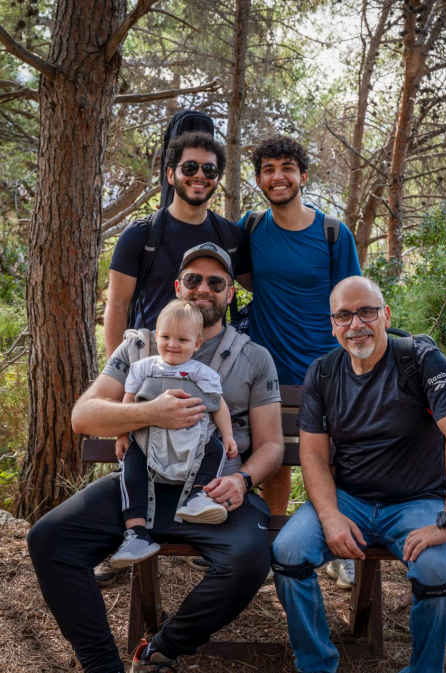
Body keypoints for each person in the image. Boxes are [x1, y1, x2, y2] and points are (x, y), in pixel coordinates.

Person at [28, 244, 283, 673]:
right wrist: (149, 413)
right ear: (177, 286)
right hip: (138, 485)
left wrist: (242, 480)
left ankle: (161, 649)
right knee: (49, 538)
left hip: (211, 491)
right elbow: (83, 416)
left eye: (216, 282)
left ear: (230, 294)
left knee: (249, 560)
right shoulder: (139, 347)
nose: (203, 288)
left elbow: (272, 445)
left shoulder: (253, 357)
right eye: (194, 279)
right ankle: (102, 665)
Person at [272, 276, 446, 673]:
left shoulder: (420, 360)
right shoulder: (323, 373)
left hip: (417, 501)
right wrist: (330, 516)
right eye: (344, 316)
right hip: (349, 499)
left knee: (436, 573)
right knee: (288, 554)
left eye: (366, 312)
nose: (356, 325)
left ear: (385, 314)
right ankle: (316, 664)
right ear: (333, 324)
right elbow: (313, 454)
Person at [237, 134, 361, 587]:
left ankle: (337, 548)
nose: (278, 177)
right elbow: (241, 277)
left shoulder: (332, 233)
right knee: (275, 461)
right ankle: (271, 548)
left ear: (303, 176)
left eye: (287, 168)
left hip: (327, 371)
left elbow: (351, 300)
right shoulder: (251, 228)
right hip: (267, 371)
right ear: (259, 180)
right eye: (268, 169)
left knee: (334, 461)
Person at [110, 298, 238, 568]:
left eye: (182, 339)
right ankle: (136, 533)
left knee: (214, 449)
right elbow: (128, 402)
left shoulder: (201, 373)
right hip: (149, 441)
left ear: (197, 344)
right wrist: (121, 434)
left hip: (190, 442)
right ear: (156, 336)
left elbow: (218, 404)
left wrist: (227, 435)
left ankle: (198, 497)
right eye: (166, 337)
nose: (172, 344)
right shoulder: (144, 367)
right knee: (131, 463)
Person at [104, 131, 251, 357]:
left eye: (209, 170)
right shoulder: (140, 235)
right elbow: (117, 306)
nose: (200, 175)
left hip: (212, 366)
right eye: (190, 168)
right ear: (171, 175)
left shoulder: (232, 237)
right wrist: (119, 369)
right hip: (150, 363)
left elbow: (266, 287)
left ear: (218, 179)